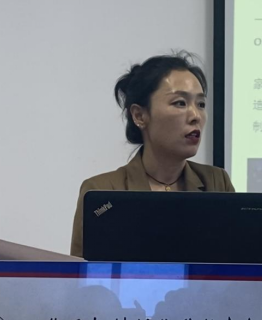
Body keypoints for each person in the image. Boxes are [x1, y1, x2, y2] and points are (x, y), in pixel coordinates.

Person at [70, 52, 235, 257]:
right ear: (139, 115)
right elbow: (82, 273)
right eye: (180, 103)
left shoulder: (217, 183)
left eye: (201, 104)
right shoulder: (102, 191)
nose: (196, 116)